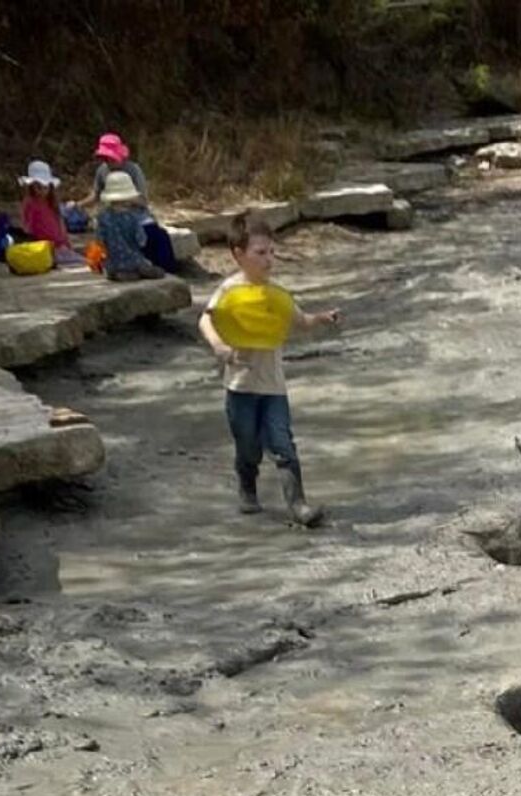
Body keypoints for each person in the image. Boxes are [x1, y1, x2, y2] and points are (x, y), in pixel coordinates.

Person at [199, 220, 339, 526]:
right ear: (238, 254)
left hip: (273, 387)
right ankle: (247, 487)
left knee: (283, 444)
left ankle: (298, 505)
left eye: (271, 252)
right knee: (248, 446)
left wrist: (321, 318)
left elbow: (299, 320)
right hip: (240, 386)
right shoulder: (228, 290)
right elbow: (206, 321)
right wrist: (220, 346)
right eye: (260, 252)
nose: (268, 259)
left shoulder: (277, 294)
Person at [91, 132, 178, 273]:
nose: (109, 162)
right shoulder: (102, 171)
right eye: (105, 159)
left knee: (157, 235)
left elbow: (143, 200)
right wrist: (77, 205)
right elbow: (95, 194)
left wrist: (125, 199)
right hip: (112, 211)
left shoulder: (133, 169)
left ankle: (165, 269)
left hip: (137, 212)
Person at [16, 161, 85, 267]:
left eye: (45, 187)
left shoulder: (52, 203)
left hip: (59, 245)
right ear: (32, 187)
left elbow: (60, 224)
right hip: (43, 248)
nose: (43, 191)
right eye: (38, 187)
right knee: (82, 261)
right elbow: (28, 226)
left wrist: (66, 242)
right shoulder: (30, 203)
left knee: (83, 252)